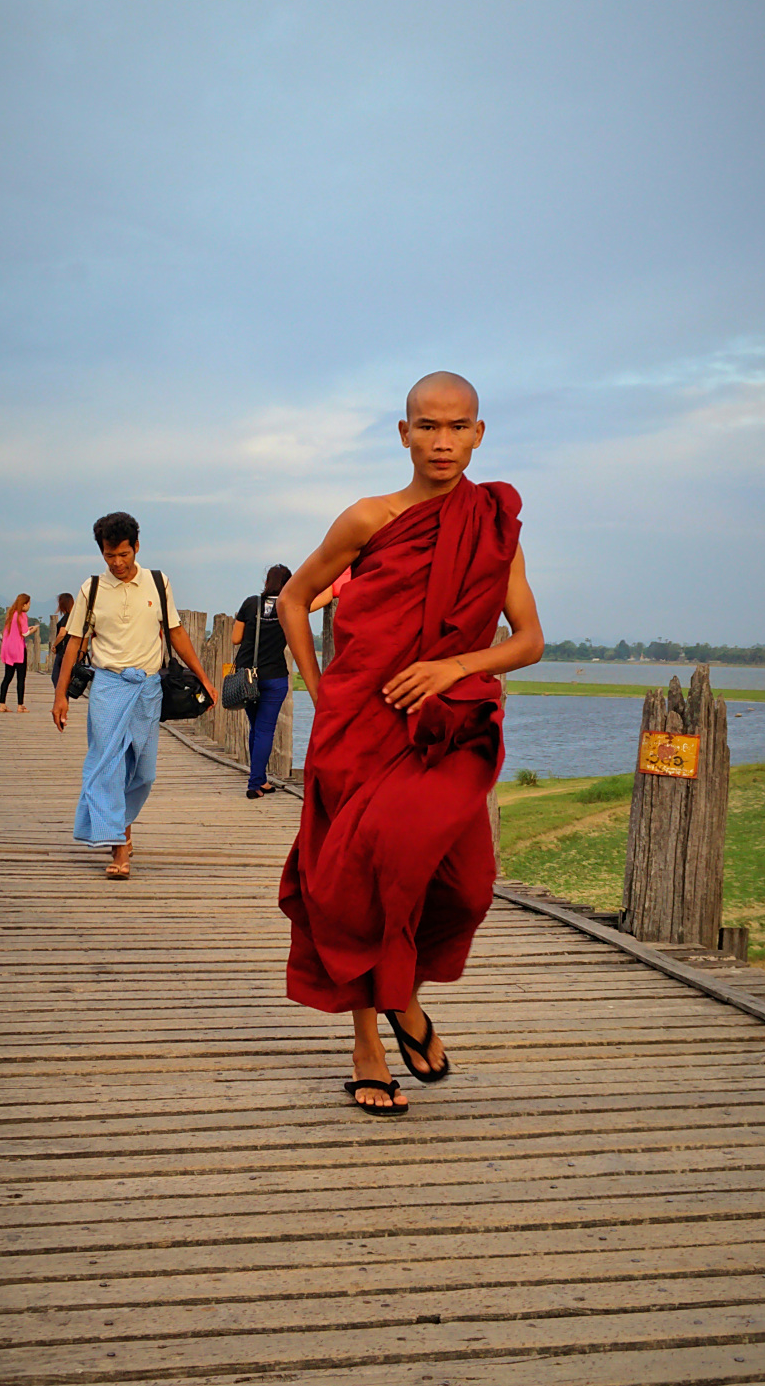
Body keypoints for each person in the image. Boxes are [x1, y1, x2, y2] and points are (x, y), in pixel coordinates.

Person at [277, 372, 544, 1114]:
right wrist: (321, 685)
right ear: (404, 434)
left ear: (480, 434)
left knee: (465, 887)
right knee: (360, 880)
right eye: (428, 426)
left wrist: (454, 664)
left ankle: (406, 1000)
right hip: (361, 725)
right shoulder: (369, 518)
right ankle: (370, 1045)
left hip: (446, 729)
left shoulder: (493, 527)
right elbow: (293, 598)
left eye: (458, 426)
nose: (443, 441)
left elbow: (529, 640)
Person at [52, 511, 218, 880]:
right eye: (109, 556)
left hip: (148, 687)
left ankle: (120, 824)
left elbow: (175, 633)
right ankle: (119, 846)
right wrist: (60, 695)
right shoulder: (91, 589)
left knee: (143, 772)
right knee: (106, 764)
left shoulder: (157, 584)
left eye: (123, 555)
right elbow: (75, 643)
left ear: (136, 548)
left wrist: (204, 677)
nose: (117, 563)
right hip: (109, 685)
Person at [231, 566, 295, 799]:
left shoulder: (250, 603)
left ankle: (259, 779)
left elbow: (235, 638)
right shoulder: (288, 606)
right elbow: (318, 599)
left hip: (248, 676)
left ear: (266, 581)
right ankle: (256, 782)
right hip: (275, 676)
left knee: (257, 727)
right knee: (265, 729)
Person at [0, 595, 38, 712]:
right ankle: (20, 705)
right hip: (19, 651)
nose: (29, 606)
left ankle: (2, 704)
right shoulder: (22, 615)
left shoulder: (11, 615)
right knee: (21, 678)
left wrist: (27, 629)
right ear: (24, 604)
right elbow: (25, 633)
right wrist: (33, 629)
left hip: (8, 650)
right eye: (29, 604)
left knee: (7, 677)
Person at [49, 592, 75, 689]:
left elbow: (62, 633)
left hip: (63, 652)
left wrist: (54, 645)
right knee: (63, 678)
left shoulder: (67, 617)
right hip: (68, 651)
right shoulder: (73, 617)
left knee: (57, 678)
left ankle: (62, 699)